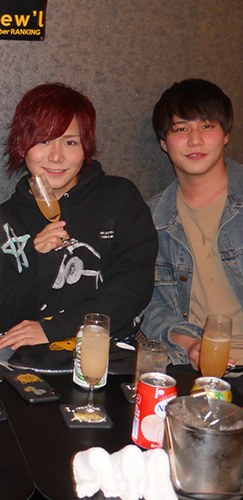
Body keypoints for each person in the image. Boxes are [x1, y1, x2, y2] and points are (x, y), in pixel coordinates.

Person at [0, 83, 157, 355]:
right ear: (22, 147)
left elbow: (134, 287)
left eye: (70, 142)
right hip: (31, 357)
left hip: (110, 350)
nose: (56, 156)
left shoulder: (119, 197)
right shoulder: (5, 219)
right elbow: (0, 314)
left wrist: (57, 328)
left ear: (86, 148)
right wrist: (43, 265)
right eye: (44, 141)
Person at [142, 79, 241, 370]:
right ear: (163, 143)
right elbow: (146, 302)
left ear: (225, 135)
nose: (195, 140)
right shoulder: (151, 219)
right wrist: (189, 344)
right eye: (181, 129)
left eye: (207, 126)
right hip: (193, 367)